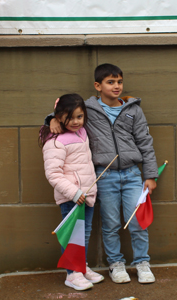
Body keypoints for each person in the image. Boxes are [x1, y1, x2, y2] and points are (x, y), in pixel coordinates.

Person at [45, 63, 159, 284]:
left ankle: (142, 263)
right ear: (98, 86)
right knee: (110, 224)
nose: (116, 86)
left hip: (133, 175)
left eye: (119, 82)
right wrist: (50, 119)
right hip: (104, 177)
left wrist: (150, 175)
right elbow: (67, 110)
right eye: (110, 82)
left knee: (137, 222)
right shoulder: (89, 108)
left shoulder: (133, 109)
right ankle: (115, 264)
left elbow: (145, 143)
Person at [39, 93, 104, 291]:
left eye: (79, 116)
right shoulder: (55, 141)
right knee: (72, 236)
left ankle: (81, 267)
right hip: (72, 198)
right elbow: (53, 174)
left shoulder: (82, 133)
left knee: (83, 235)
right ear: (58, 117)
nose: (75, 122)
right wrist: (74, 193)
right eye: (70, 117)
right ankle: (72, 274)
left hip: (86, 195)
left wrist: (85, 192)